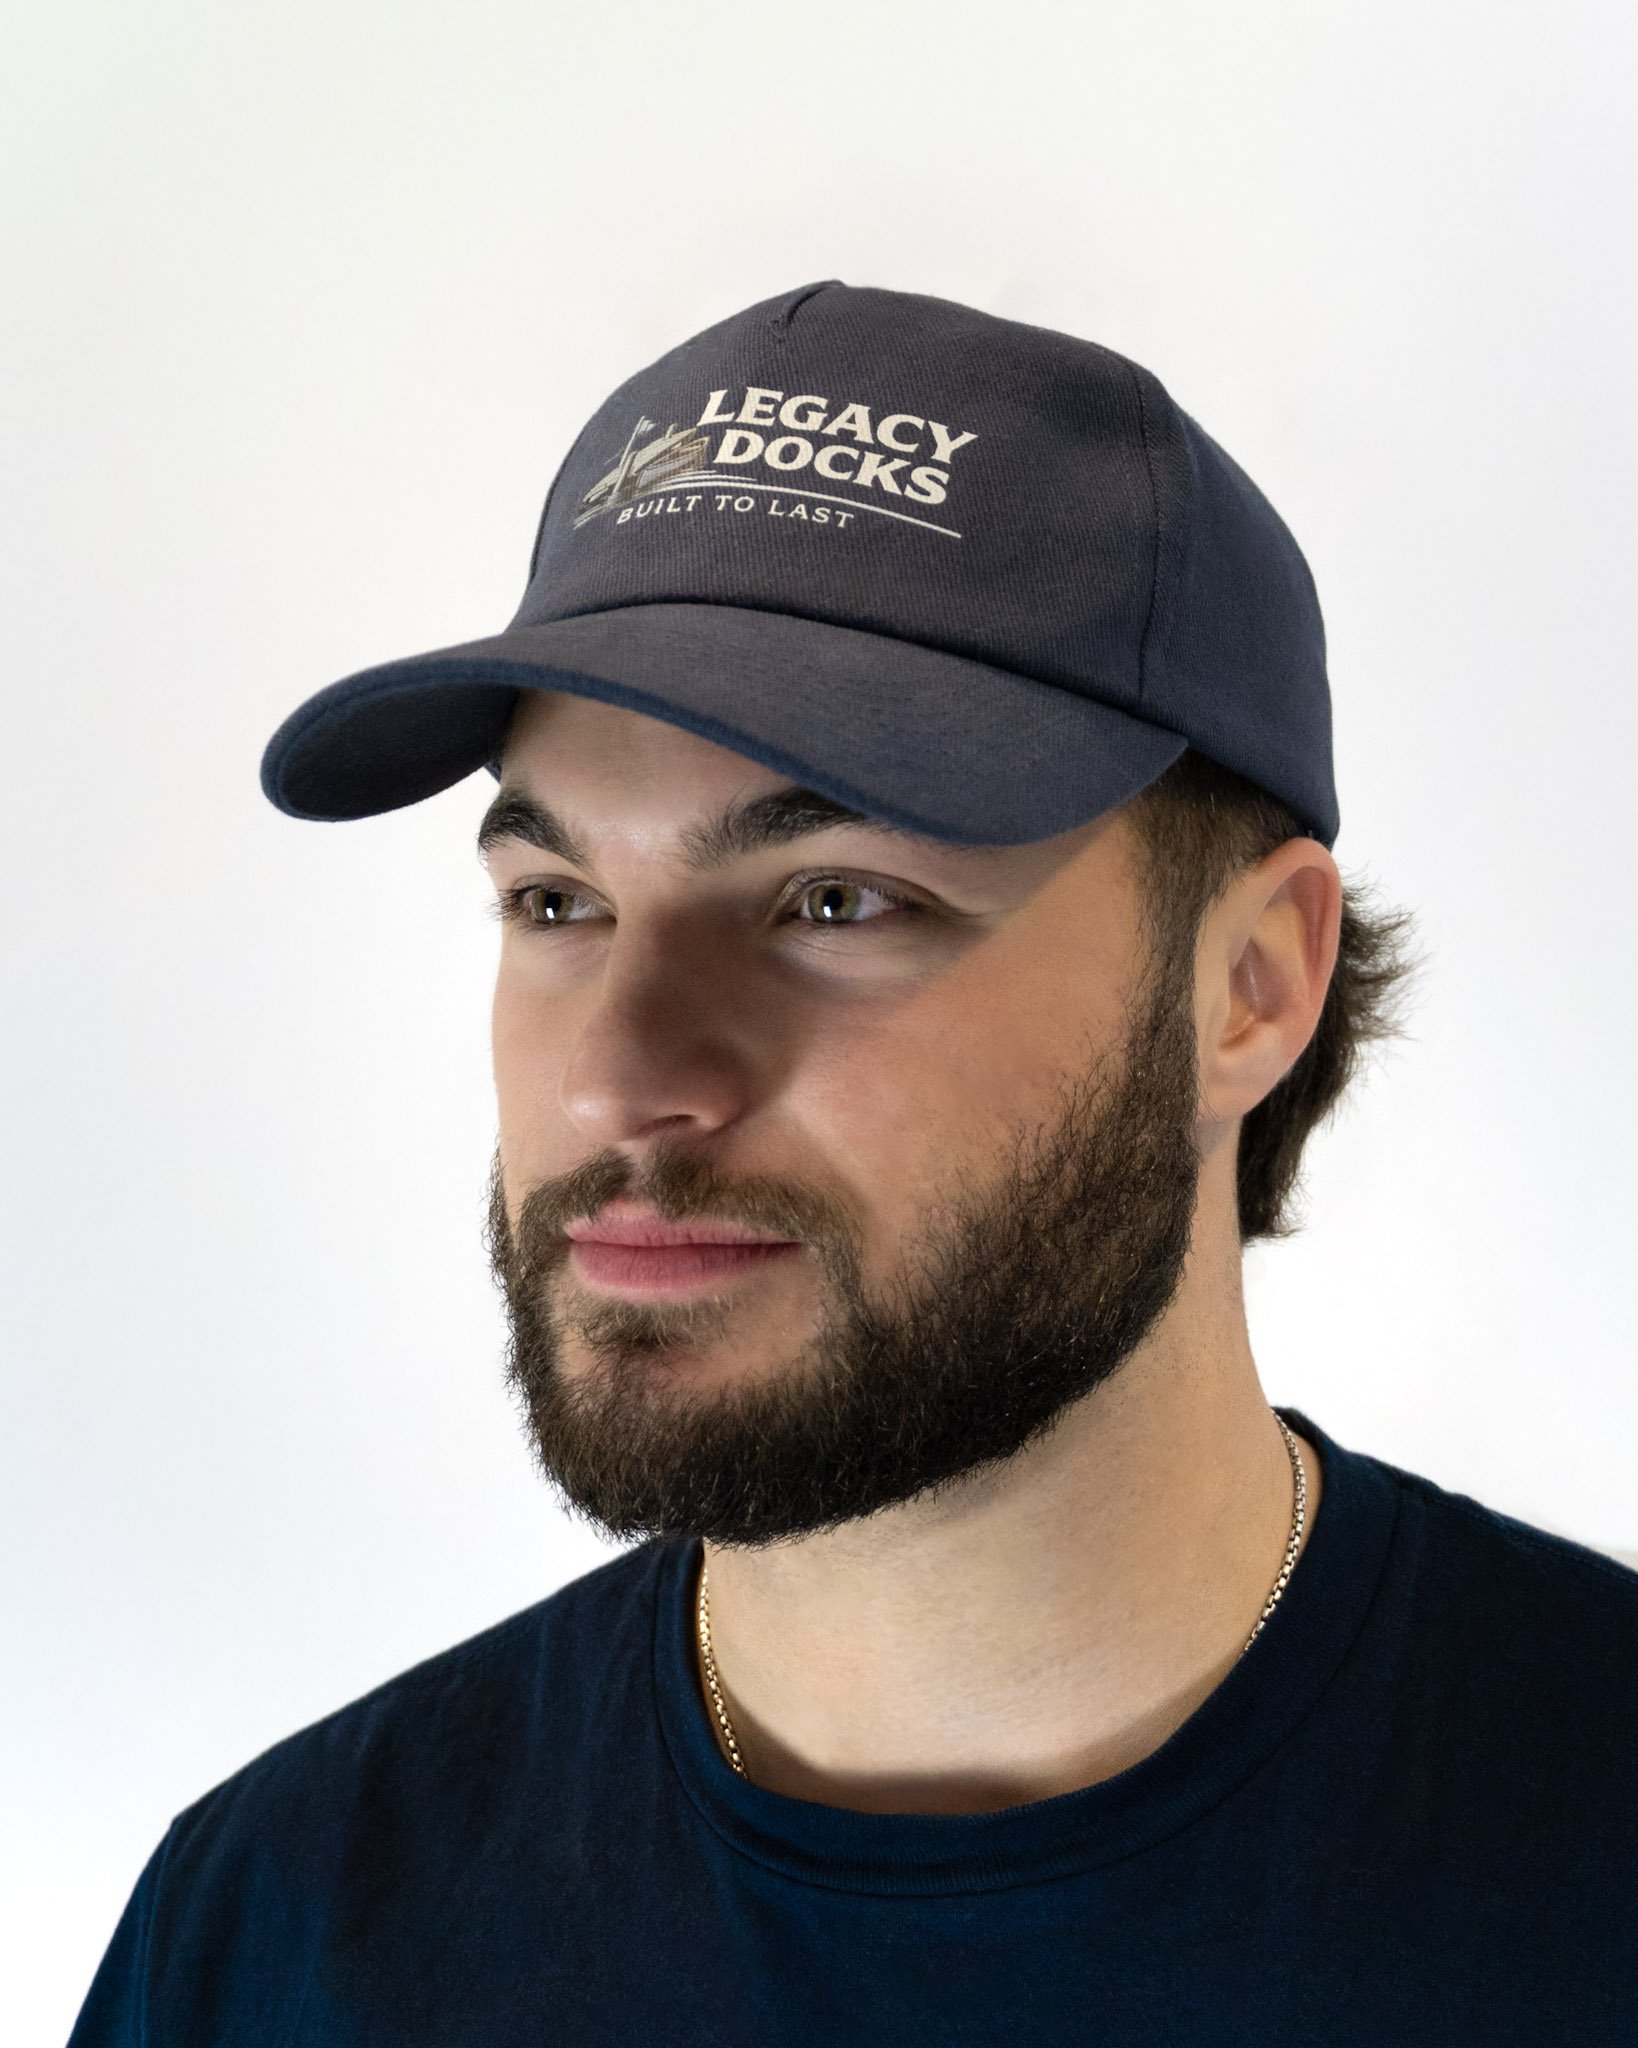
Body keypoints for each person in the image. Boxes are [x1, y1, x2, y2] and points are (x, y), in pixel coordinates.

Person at [70, 282, 1638, 2045]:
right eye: (558, 903)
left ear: (1249, 985)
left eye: (836, 900)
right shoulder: (276, 1937)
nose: (618, 1079)